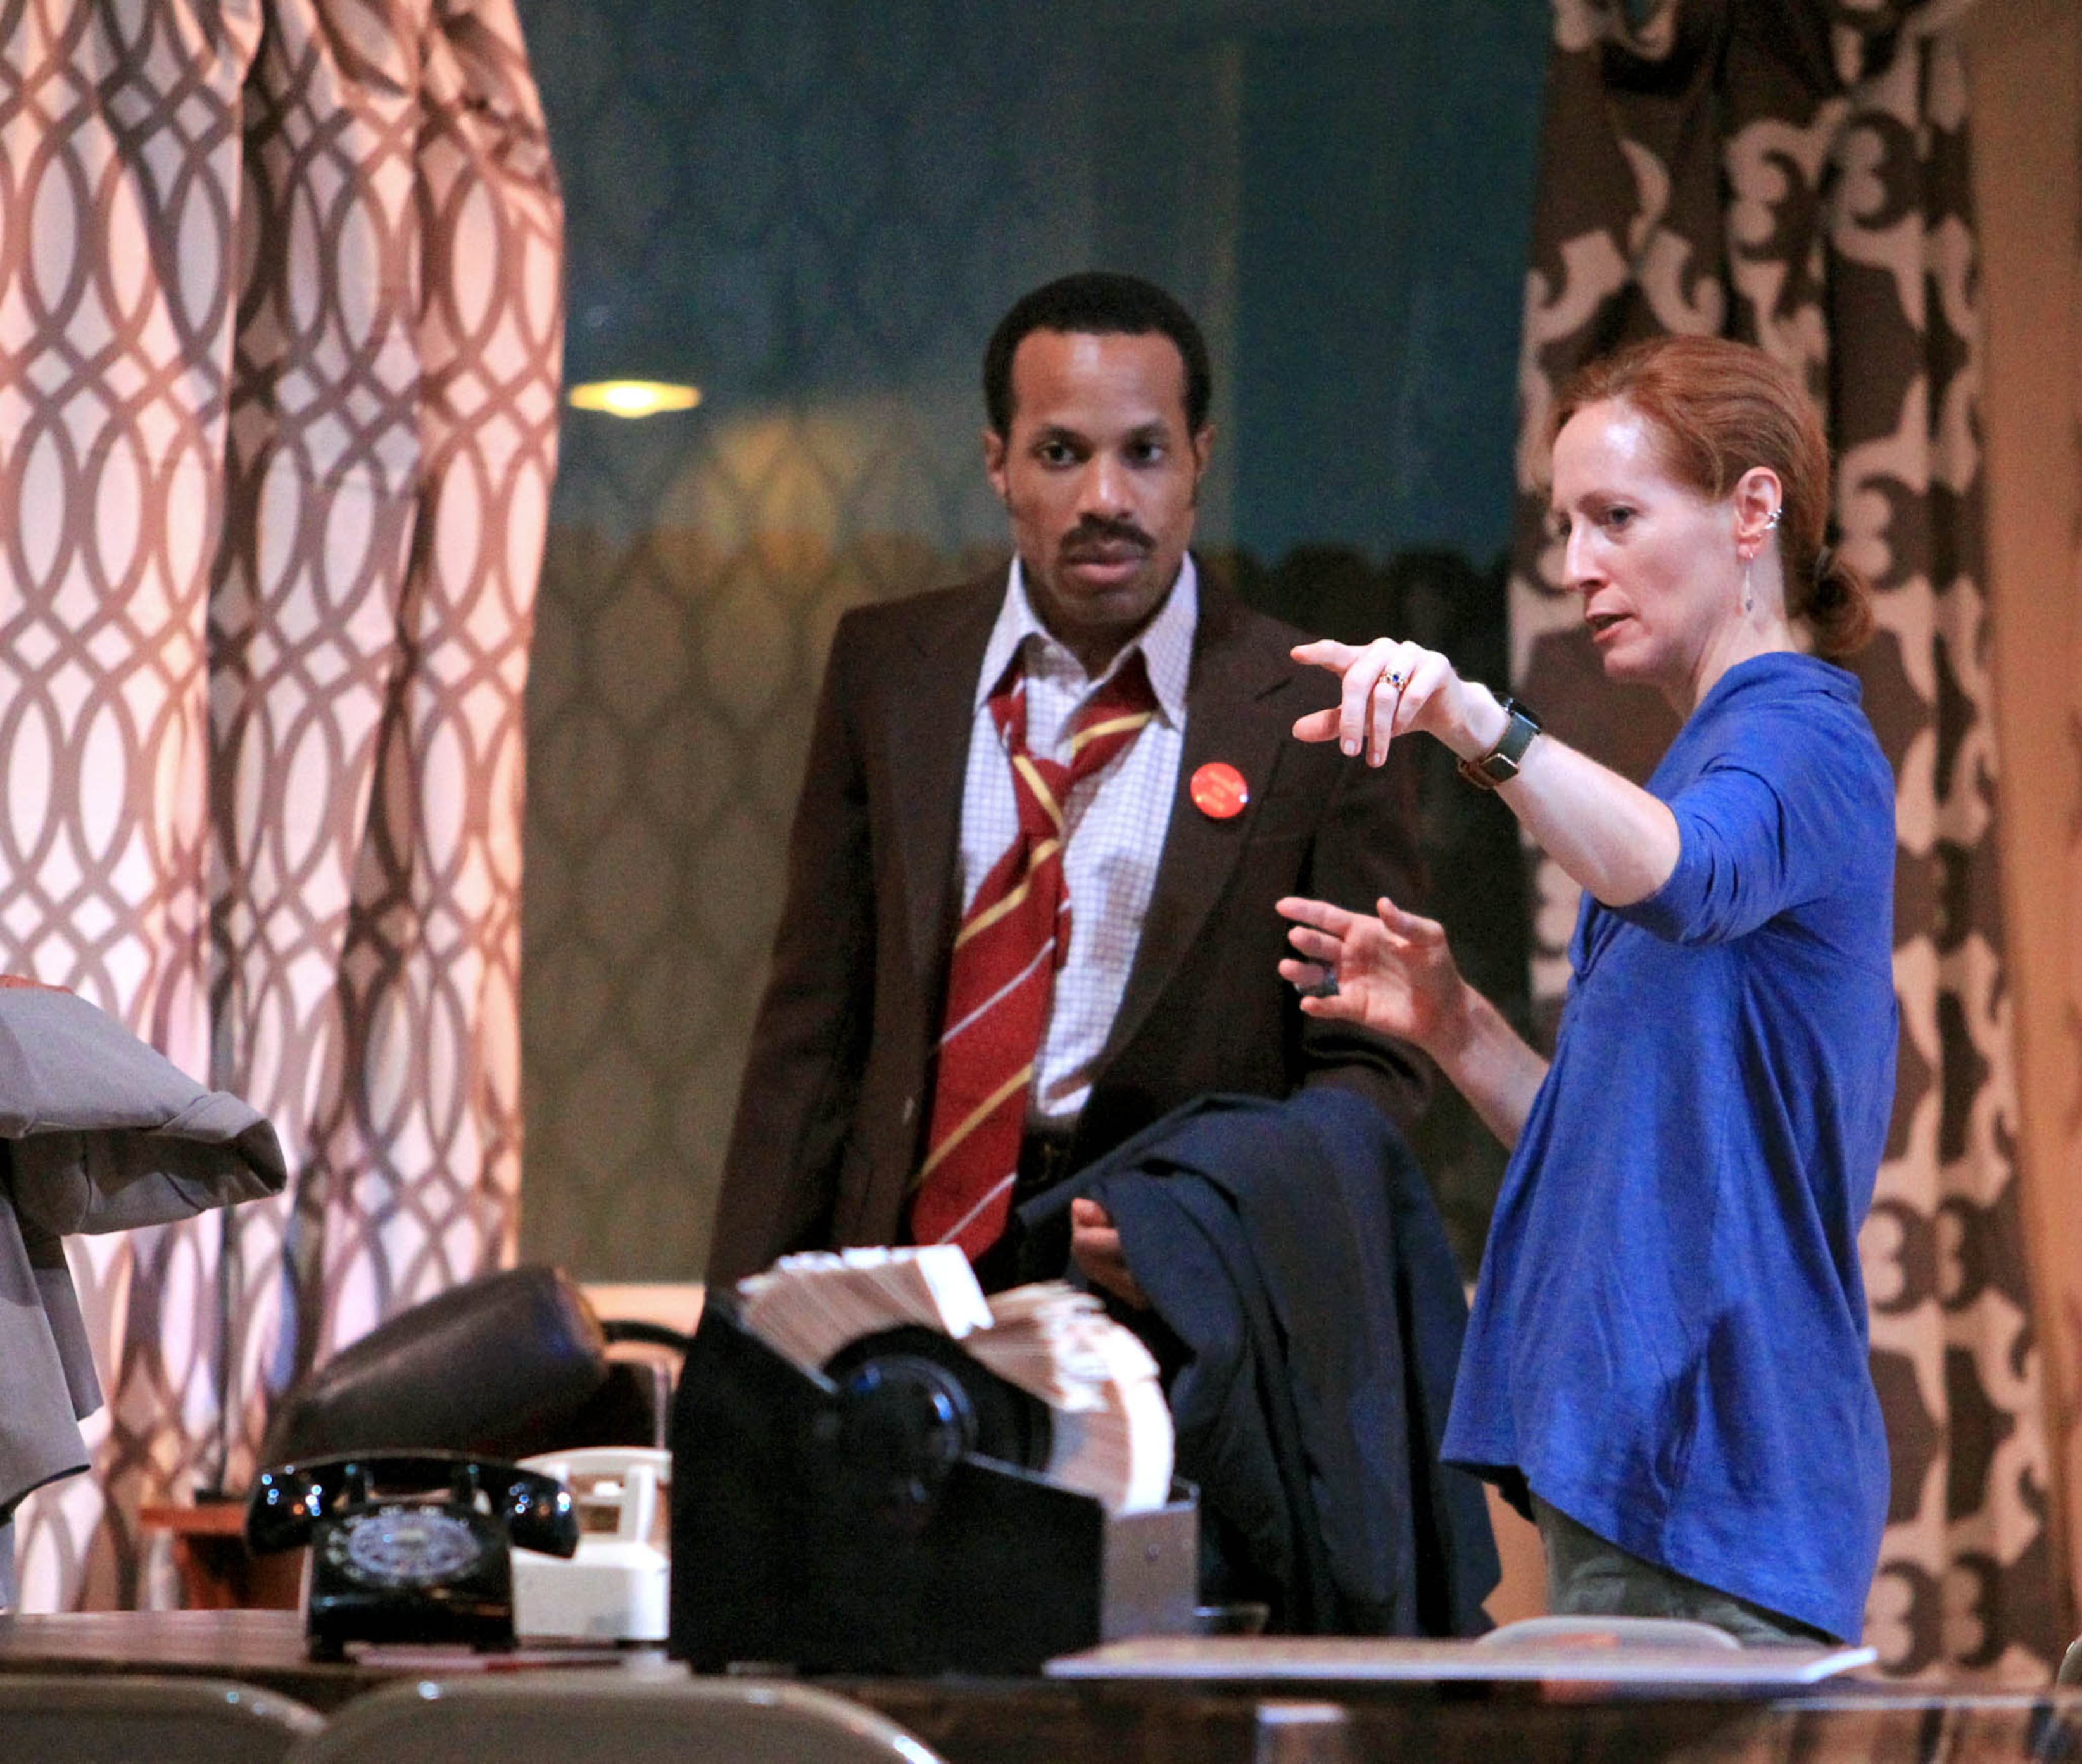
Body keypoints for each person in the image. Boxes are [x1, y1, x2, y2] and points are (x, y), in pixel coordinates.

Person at [1275, 334, 1896, 1646]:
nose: (1577, 567)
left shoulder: (1797, 736)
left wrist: (1479, 724)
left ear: (1751, 509)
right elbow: (1629, 1153)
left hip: (1722, 1465)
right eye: (1568, 525)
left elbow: (1686, 877)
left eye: (1617, 517)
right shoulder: (1712, 755)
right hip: (1652, 1472)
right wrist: (1459, 1027)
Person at [704, 271, 1428, 1295]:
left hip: (1167, 1295)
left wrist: (1215, 1225)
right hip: (904, 1274)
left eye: (1143, 452)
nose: (1104, 499)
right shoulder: (889, 667)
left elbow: (1371, 1065)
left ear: (1198, 462)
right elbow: (810, 1035)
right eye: (1060, 453)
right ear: (998, 464)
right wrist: (739, 1340)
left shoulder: (1313, 709)